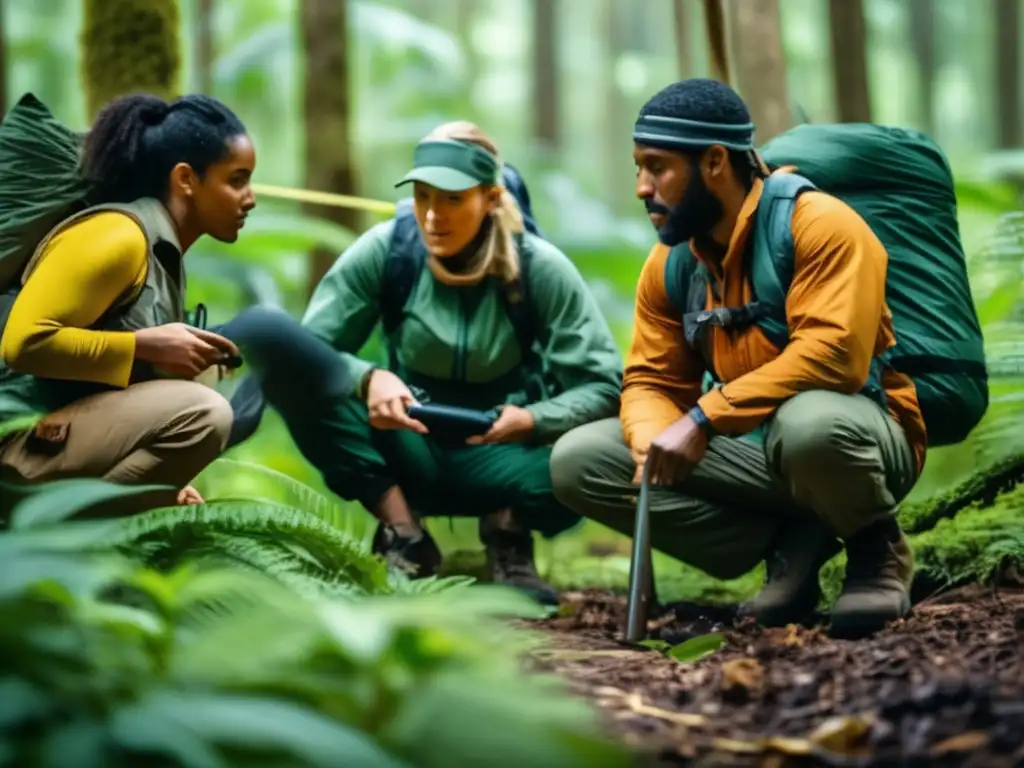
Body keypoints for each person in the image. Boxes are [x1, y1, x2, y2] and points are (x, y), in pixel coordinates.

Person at [549, 78, 927, 639]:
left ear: (716, 162)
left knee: (810, 426)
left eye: (657, 167)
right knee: (579, 459)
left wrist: (702, 419)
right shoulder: (672, 264)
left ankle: (877, 550)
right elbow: (651, 378)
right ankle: (791, 549)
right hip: (757, 457)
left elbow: (834, 357)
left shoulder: (820, 225)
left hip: (860, 437)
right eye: (638, 168)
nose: (641, 187)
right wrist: (651, 441)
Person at [299, 120, 623, 604]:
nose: (433, 216)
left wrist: (534, 420)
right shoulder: (387, 252)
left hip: (507, 451)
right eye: (424, 196)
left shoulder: (540, 268)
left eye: (452, 199)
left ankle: (508, 533)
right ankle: (403, 533)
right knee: (304, 389)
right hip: (407, 444)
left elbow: (605, 386)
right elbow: (304, 354)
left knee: (598, 448)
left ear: (490, 199)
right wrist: (369, 378)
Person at [0, 92, 360, 515]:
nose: (251, 197)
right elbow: (21, 343)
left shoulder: (162, 249)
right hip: (16, 438)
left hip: (56, 427)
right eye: (237, 179)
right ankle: (69, 534)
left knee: (209, 378)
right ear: (186, 179)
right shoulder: (116, 238)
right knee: (205, 411)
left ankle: (133, 517)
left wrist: (171, 479)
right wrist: (145, 347)